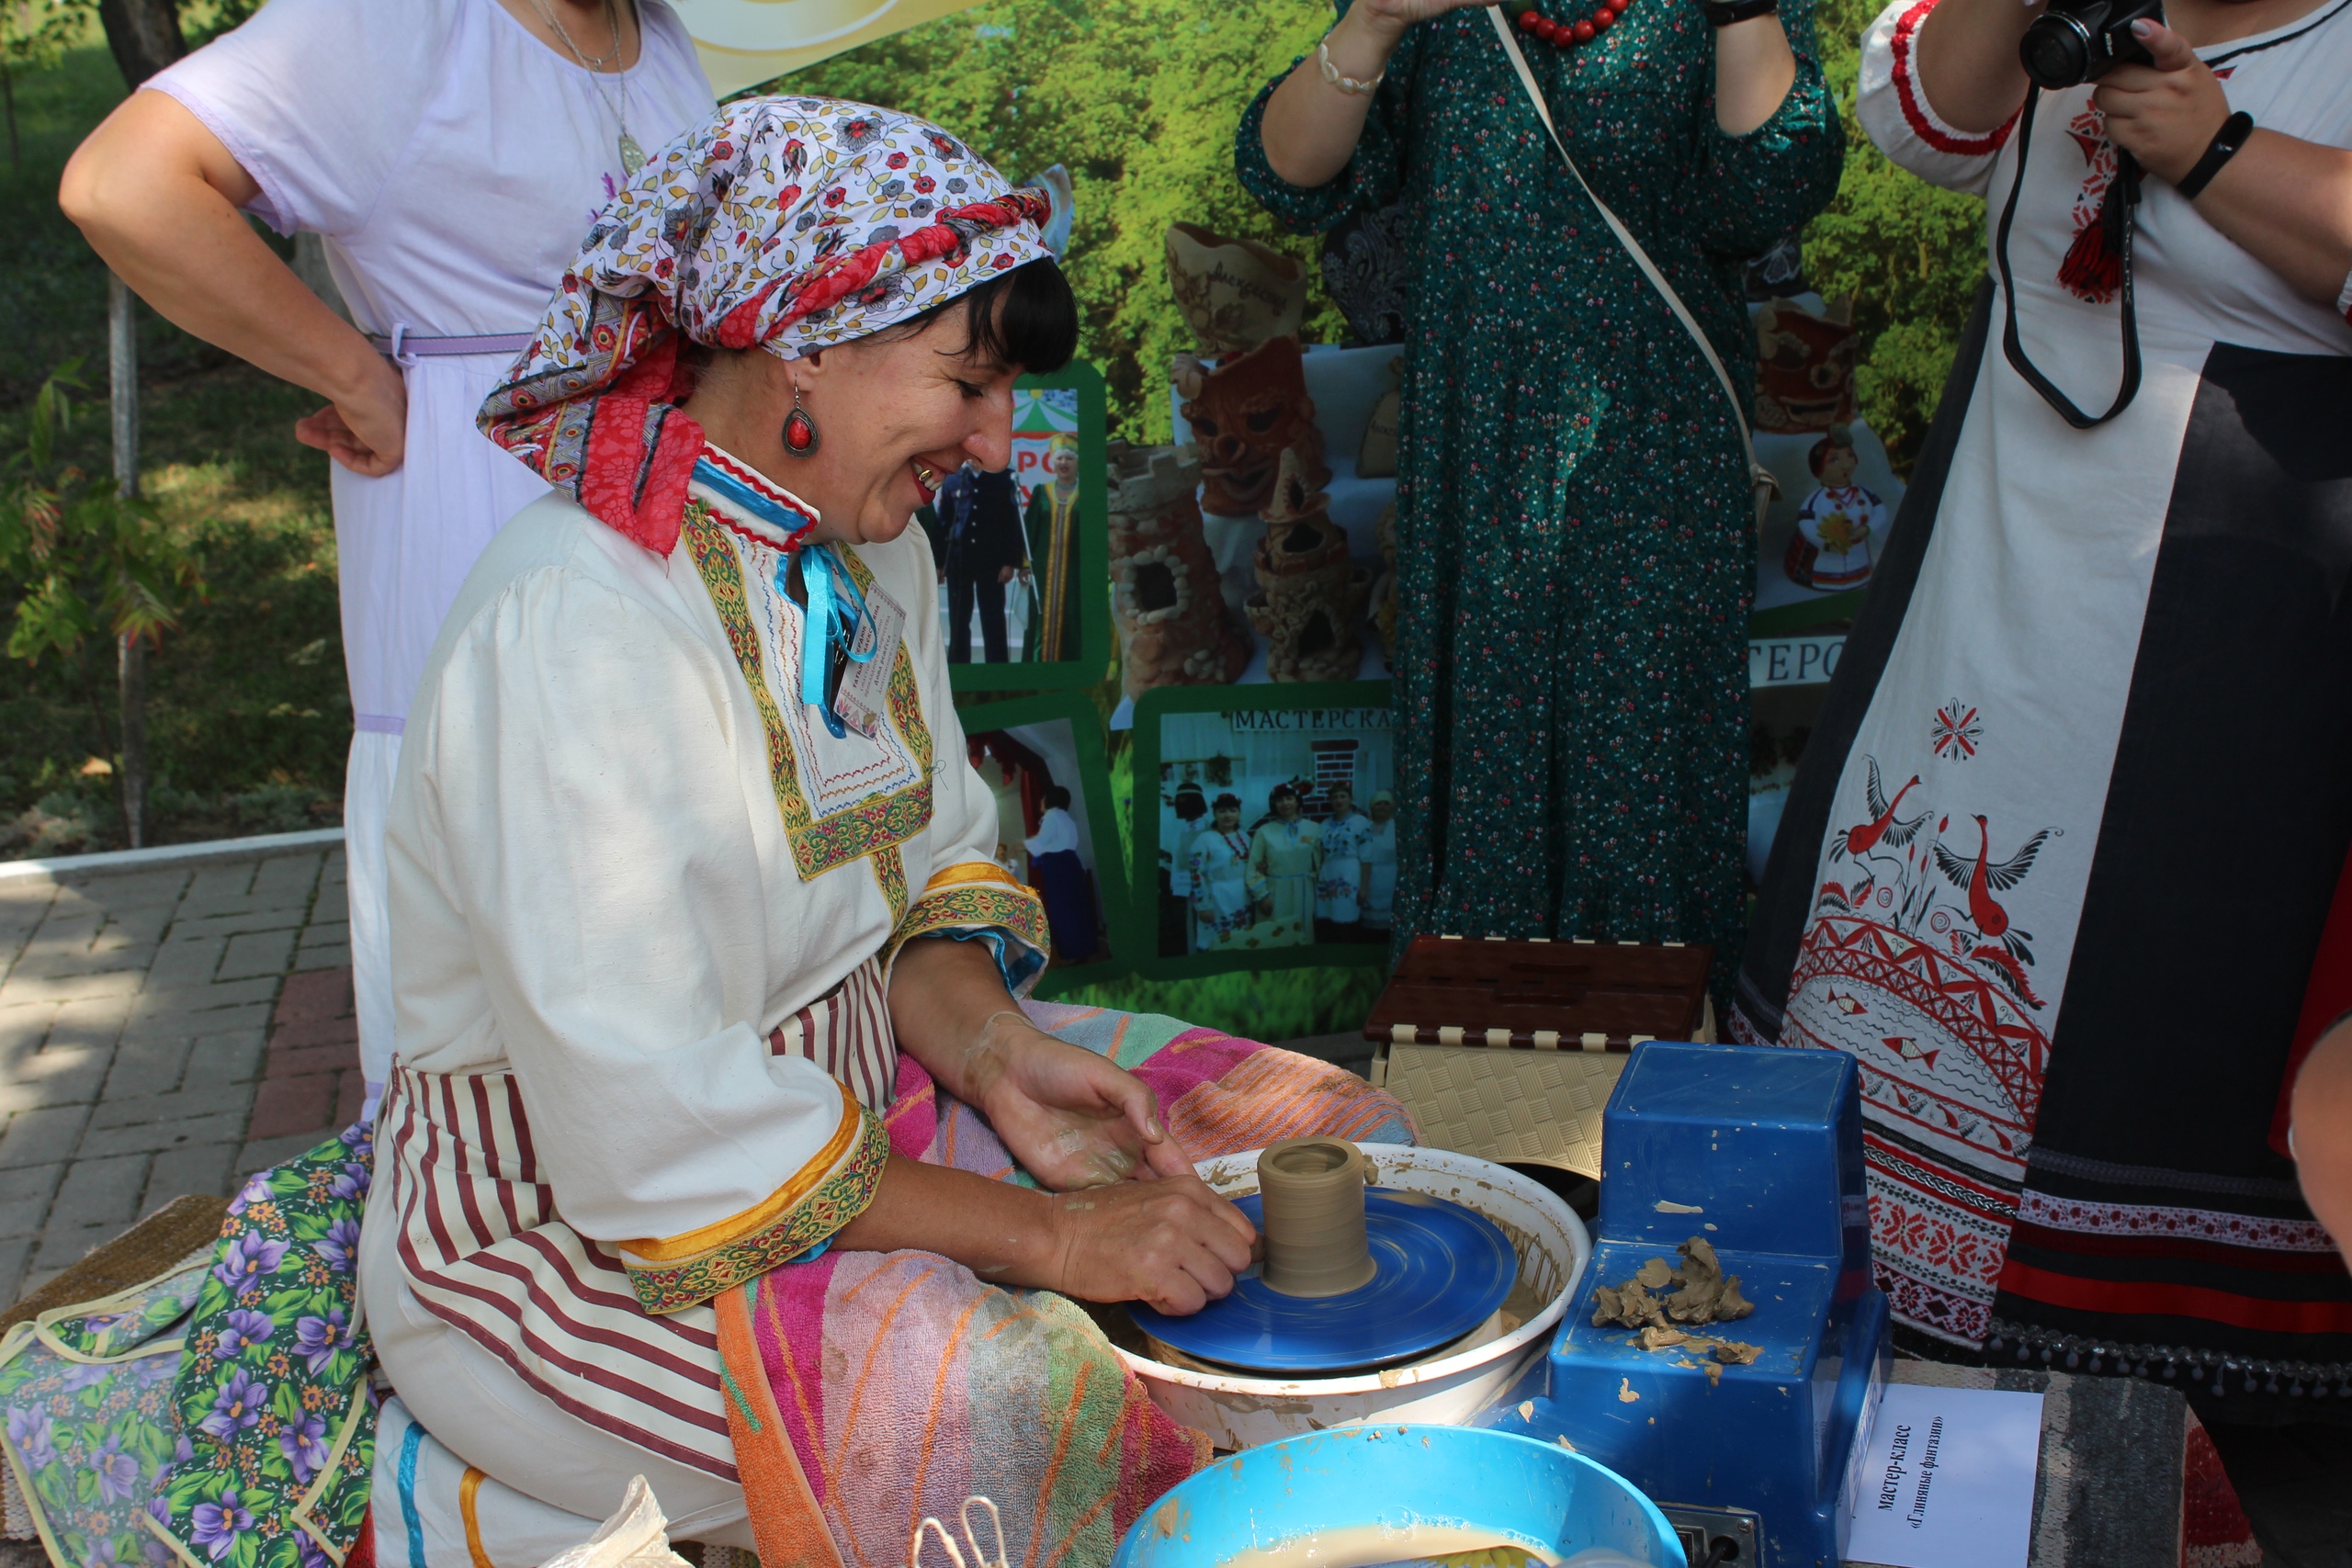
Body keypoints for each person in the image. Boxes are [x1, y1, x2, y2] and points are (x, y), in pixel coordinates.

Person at [364, 99, 1415, 1560]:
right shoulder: (577, 618)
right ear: (804, 334)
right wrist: (1049, 1243)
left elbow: (924, 875)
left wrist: (996, 1052)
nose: (994, 444)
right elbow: (650, 1126)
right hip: (580, 1230)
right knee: (1049, 1407)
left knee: (1351, 1137)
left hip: (860, 1107)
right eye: (966, 382)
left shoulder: (872, 548)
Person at [1736, 0, 2352, 1409]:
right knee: (1926, 861)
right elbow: (1933, 129)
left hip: (2238, 563)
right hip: (2001, 523)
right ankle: (1898, 1275)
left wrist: (2220, 148)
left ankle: (2153, 1357)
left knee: (2169, 941)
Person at [58, 0, 715, 1119]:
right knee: (510, 866)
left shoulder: (656, 37)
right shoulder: (397, 23)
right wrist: (351, 374)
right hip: (479, 501)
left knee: (659, 872)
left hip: (658, 510)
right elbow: (125, 183)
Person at [1237, 0, 1842, 994]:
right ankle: (1490, 1100)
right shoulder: (1444, 15)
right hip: (1479, 446)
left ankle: (1655, 1076)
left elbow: (1766, 193)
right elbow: (1292, 178)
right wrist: (1378, 20)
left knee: (1643, 758)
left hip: (1655, 441)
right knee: (1489, 757)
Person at [940, 458, 1026, 661]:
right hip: (959, 561)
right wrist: (939, 562)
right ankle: (960, 670)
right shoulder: (954, 479)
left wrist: (1009, 562)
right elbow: (944, 521)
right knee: (959, 619)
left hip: (992, 561)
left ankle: (997, 670)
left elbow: (1011, 522)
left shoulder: (1003, 479)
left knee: (993, 618)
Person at [1783, 426, 1886, 590]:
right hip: (1829, 562)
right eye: (1834, 460)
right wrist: (1825, 544)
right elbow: (1806, 524)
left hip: (1860, 559)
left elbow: (1880, 512)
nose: (1846, 465)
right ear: (1819, 469)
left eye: (1850, 456)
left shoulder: (1864, 493)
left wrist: (1866, 529)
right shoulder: (1817, 499)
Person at [1022, 431, 1082, 661]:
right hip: (1043, 569)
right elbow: (1029, 531)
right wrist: (1025, 565)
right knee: (1040, 617)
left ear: (1077, 462)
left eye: (1069, 458)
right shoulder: (1041, 492)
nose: (1064, 463)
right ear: (1052, 462)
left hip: (1075, 570)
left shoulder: (1085, 493)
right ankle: (1038, 663)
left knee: (1072, 614)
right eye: (1060, 458)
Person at [1024, 784, 1100, 963]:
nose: (1041, 801)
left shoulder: (1051, 816)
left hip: (1057, 866)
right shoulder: (1066, 818)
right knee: (1076, 906)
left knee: (1063, 908)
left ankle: (1073, 952)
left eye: (1043, 798)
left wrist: (1021, 844)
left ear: (1050, 799)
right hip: (1070, 864)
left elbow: (1041, 842)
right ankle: (1083, 948)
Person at [1247, 784, 1322, 947]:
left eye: (1289, 798)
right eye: (1280, 800)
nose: (1285, 803)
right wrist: (1262, 895)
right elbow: (1253, 866)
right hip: (1275, 892)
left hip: (1304, 890)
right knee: (1276, 936)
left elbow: (1320, 864)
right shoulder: (1264, 831)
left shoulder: (1314, 829)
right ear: (1274, 804)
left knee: (1303, 935)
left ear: (1297, 801)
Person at [1188, 793, 1255, 953]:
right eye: (1222, 811)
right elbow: (1196, 874)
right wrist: (1203, 906)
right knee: (1217, 944)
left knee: (1242, 941)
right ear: (1214, 813)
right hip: (1217, 897)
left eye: (1232, 810)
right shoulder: (1204, 839)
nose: (1228, 815)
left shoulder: (1244, 837)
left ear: (1239, 813)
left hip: (1243, 895)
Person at [1315, 782, 1373, 942]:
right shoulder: (1324, 825)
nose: (1339, 800)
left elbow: (1366, 858)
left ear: (1351, 799)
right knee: (1328, 922)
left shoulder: (1360, 822)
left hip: (1350, 874)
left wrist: (1364, 888)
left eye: (1343, 796)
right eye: (1335, 797)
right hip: (1328, 875)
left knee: (1347, 922)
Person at [1361, 786, 1400, 935]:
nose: (1382, 807)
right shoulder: (1364, 826)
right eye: (1378, 803)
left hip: (1390, 875)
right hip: (1368, 876)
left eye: (1386, 803)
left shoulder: (1398, 827)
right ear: (1372, 806)